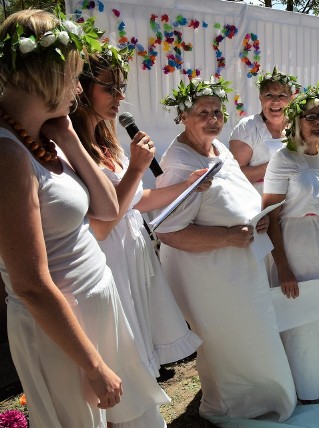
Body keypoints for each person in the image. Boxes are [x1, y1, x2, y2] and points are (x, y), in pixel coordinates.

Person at [0, 9, 168, 427]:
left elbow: (110, 208)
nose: (78, 88)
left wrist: (68, 137)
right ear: (47, 74)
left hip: (98, 305)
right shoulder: (6, 154)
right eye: (74, 76)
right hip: (62, 334)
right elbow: (31, 285)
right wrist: (93, 365)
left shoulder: (44, 137)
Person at [155, 78, 296, 422]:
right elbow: (169, 231)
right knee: (233, 339)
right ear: (183, 117)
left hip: (238, 264)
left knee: (250, 334)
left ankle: (261, 397)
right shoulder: (180, 165)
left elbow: (236, 190)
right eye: (203, 112)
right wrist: (228, 236)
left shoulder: (218, 148)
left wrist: (256, 219)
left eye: (217, 111)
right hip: (210, 275)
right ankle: (237, 405)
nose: (213, 118)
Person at [70, 46, 203, 378]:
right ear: (82, 89)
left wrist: (187, 185)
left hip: (132, 248)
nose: (120, 96)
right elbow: (100, 221)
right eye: (109, 87)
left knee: (140, 335)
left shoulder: (107, 138)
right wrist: (135, 169)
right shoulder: (71, 146)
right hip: (107, 253)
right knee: (121, 343)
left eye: (121, 86)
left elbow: (136, 200)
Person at [263, 85, 319, 401]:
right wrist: (283, 266)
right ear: (297, 120)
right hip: (296, 242)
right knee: (304, 312)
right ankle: (304, 378)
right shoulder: (282, 158)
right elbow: (271, 216)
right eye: (311, 116)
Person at [229, 67, 299, 193]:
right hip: (258, 203)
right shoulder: (247, 128)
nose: (275, 101)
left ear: (291, 99)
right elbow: (235, 175)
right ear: (261, 98)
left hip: (294, 204)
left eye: (282, 95)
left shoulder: (299, 126)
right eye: (269, 95)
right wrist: (278, 165)